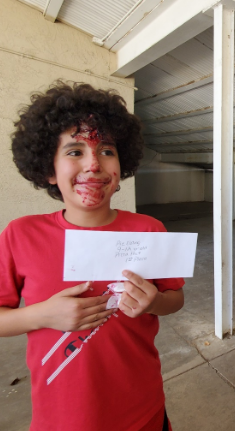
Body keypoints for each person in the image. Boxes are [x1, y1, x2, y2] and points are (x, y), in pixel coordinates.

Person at [0, 81, 185, 431]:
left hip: (141, 410)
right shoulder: (20, 235)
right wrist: (43, 314)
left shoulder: (149, 229)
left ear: (121, 166)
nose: (93, 164)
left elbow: (175, 298)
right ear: (48, 169)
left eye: (106, 151)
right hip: (62, 417)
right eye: (74, 152)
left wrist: (154, 303)